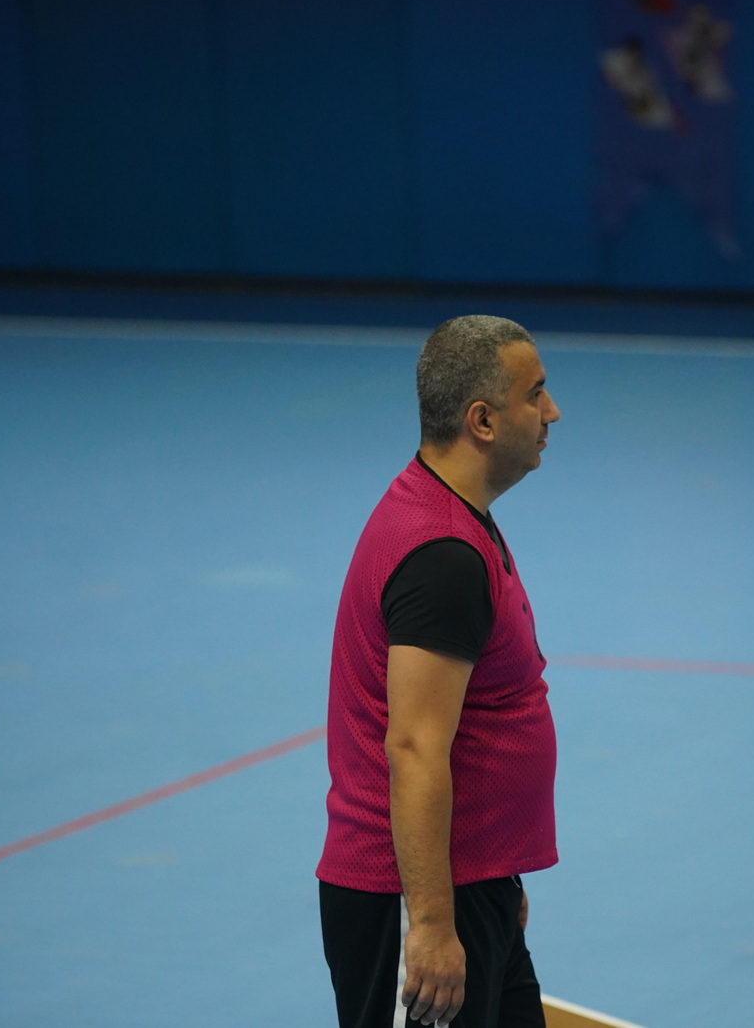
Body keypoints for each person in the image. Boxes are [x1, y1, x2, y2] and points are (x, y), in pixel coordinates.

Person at [317, 315, 563, 1028]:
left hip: (473, 882)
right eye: (534, 394)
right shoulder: (442, 556)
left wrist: (497, 869)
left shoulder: (455, 516)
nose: (552, 412)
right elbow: (415, 747)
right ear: (482, 420)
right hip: (414, 902)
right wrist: (429, 922)